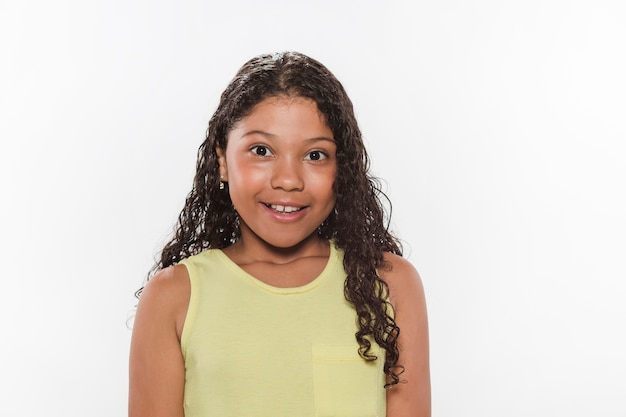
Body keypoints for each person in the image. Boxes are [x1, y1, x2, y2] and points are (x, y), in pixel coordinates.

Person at [128, 51, 430, 417]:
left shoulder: (389, 284)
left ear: (343, 168)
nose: (288, 180)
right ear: (222, 160)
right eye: (261, 150)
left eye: (315, 155)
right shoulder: (174, 297)